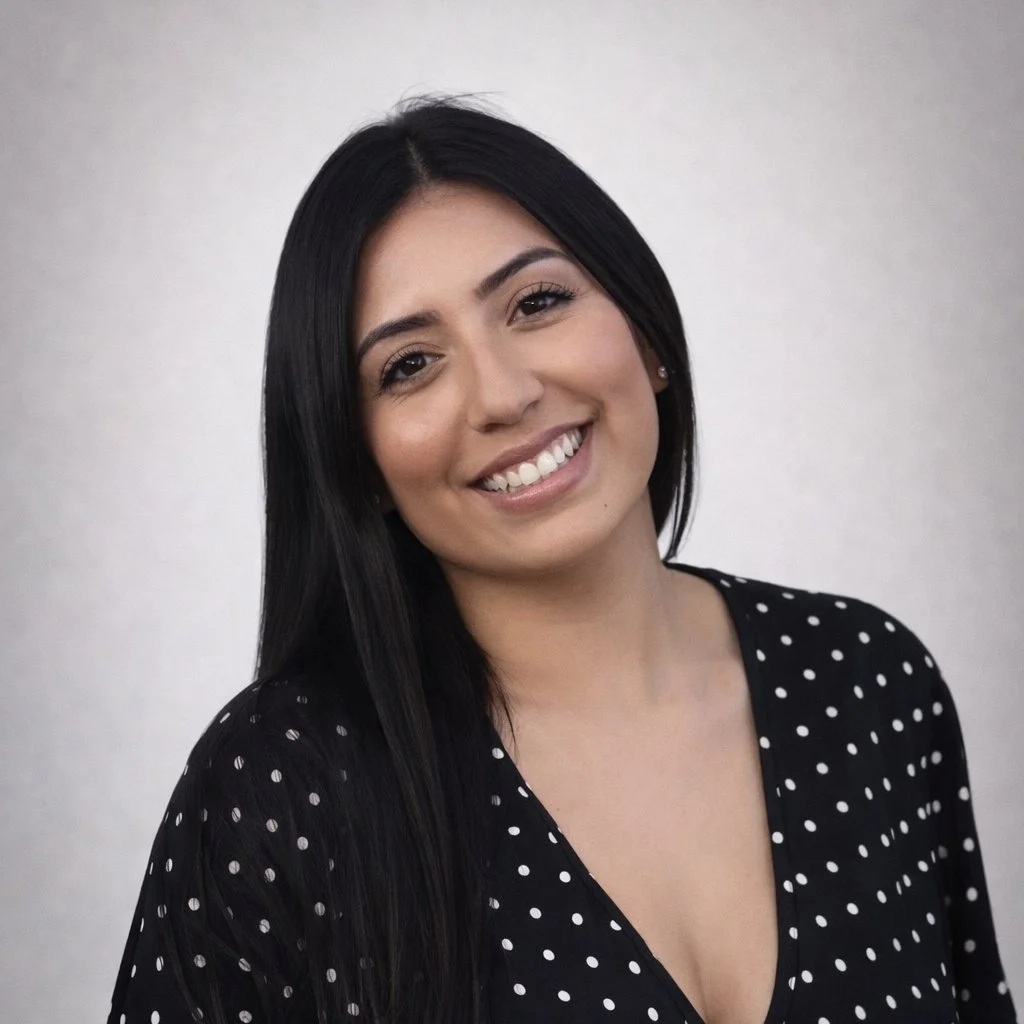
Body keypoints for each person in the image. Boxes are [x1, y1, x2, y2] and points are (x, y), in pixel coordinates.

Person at [106, 94, 1016, 1024]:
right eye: (409, 365)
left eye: (537, 303)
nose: (502, 393)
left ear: (648, 335)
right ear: (359, 460)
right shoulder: (279, 787)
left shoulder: (868, 683)